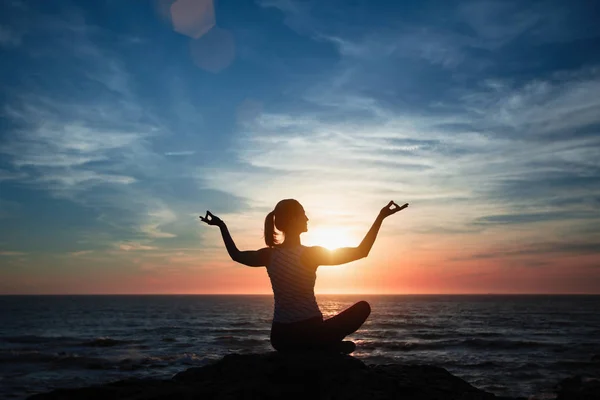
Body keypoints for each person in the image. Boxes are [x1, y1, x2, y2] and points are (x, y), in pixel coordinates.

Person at [200, 199, 408, 353]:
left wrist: (222, 226)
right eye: (303, 214)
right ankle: (323, 347)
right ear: (292, 219)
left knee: (339, 342)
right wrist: (380, 217)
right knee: (363, 308)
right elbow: (361, 251)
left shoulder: (269, 255)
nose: (307, 218)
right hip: (310, 333)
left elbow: (236, 255)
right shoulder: (310, 254)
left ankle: (322, 347)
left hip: (280, 338)